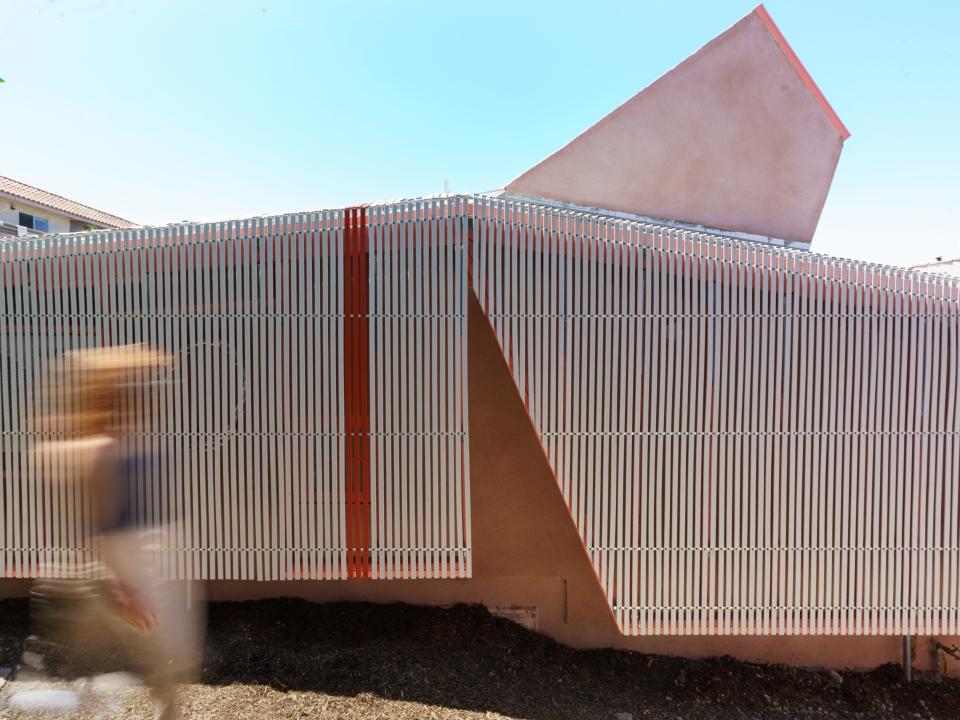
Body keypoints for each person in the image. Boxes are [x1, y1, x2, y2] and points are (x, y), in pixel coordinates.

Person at [24, 344, 201, 720]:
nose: (149, 396)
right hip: (122, 572)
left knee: (163, 671)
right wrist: (124, 589)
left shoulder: (123, 445)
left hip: (140, 567)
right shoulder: (102, 450)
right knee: (134, 667)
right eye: (136, 390)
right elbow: (103, 528)